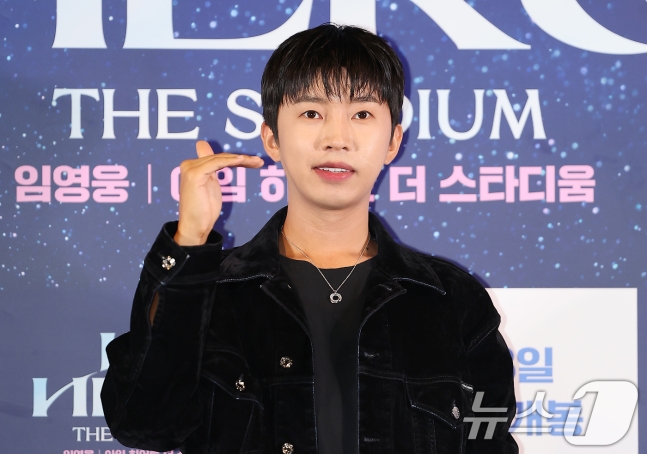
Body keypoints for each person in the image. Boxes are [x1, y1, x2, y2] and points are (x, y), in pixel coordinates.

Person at [102, 23, 518, 454]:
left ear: (393, 141)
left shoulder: (452, 301)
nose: (336, 139)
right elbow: (144, 425)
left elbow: (489, 439)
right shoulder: (211, 295)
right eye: (312, 113)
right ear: (272, 138)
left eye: (362, 114)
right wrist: (189, 241)